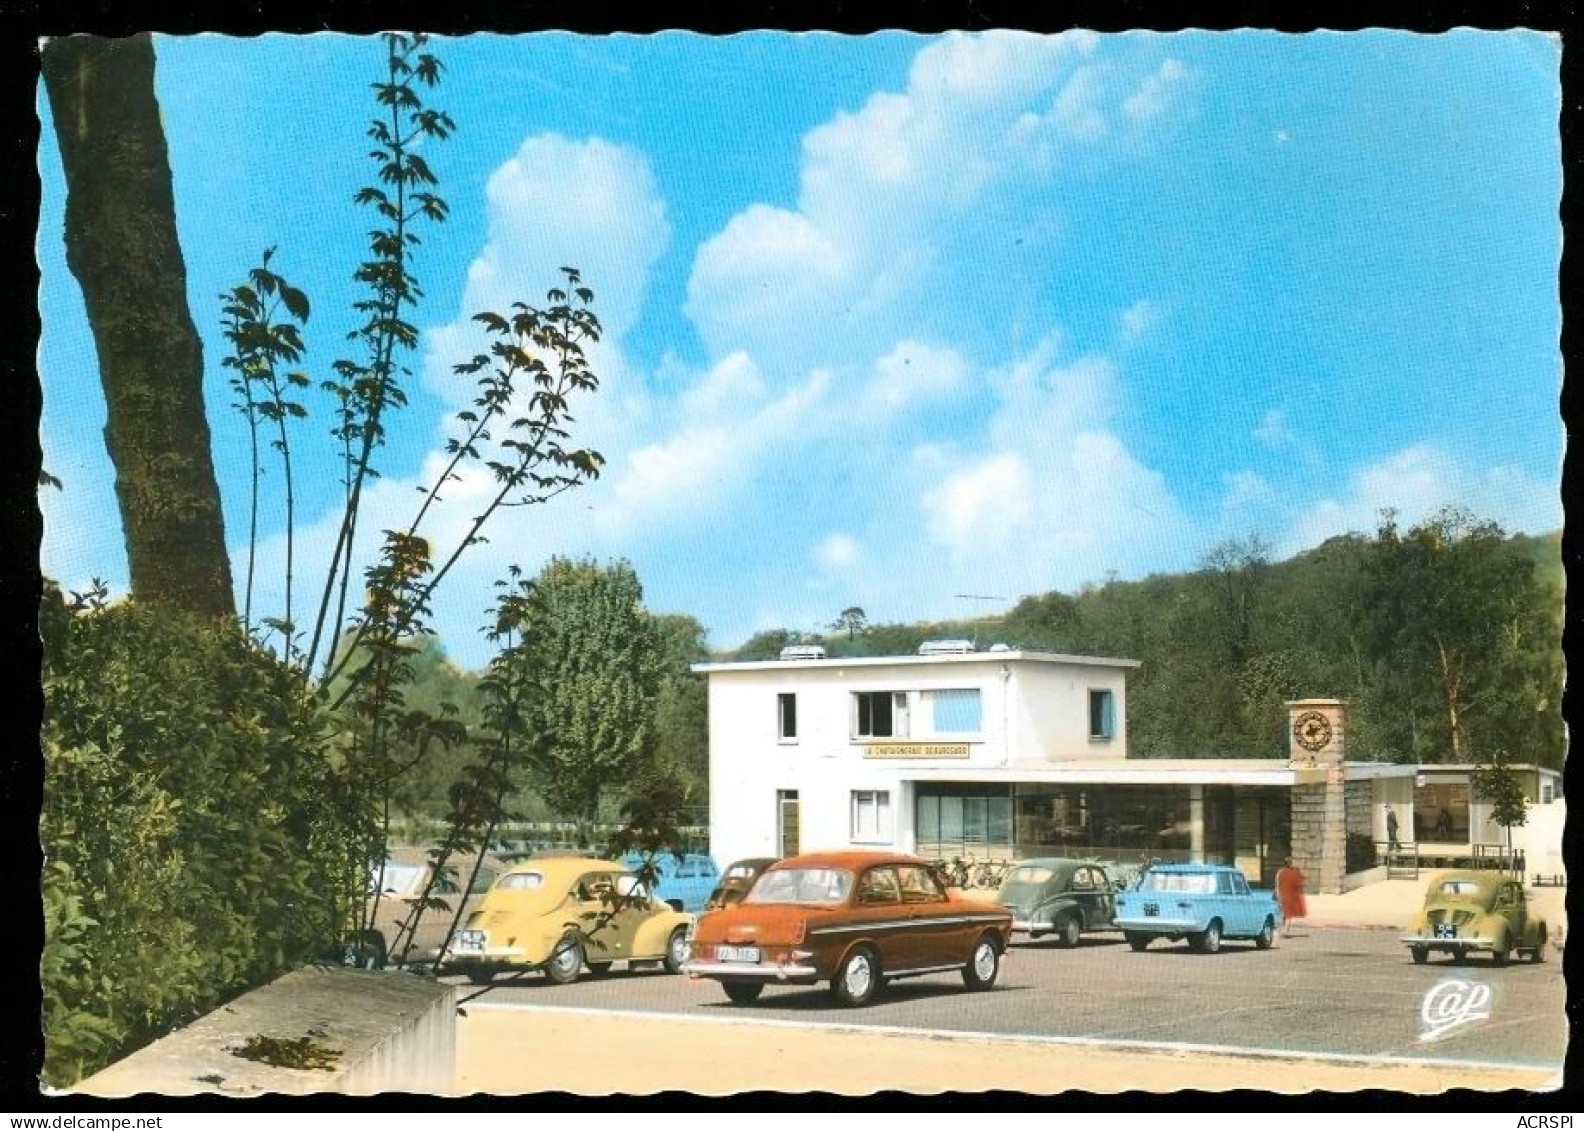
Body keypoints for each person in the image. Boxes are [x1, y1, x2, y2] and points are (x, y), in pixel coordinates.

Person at [1275, 857, 1307, 939]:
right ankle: (1285, 931)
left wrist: (1277, 895)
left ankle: (1282, 930)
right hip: (1290, 896)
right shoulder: (1295, 872)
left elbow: (1277, 885)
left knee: (1283, 914)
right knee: (1289, 915)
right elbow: (1300, 884)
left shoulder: (1280, 872)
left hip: (1282, 895)